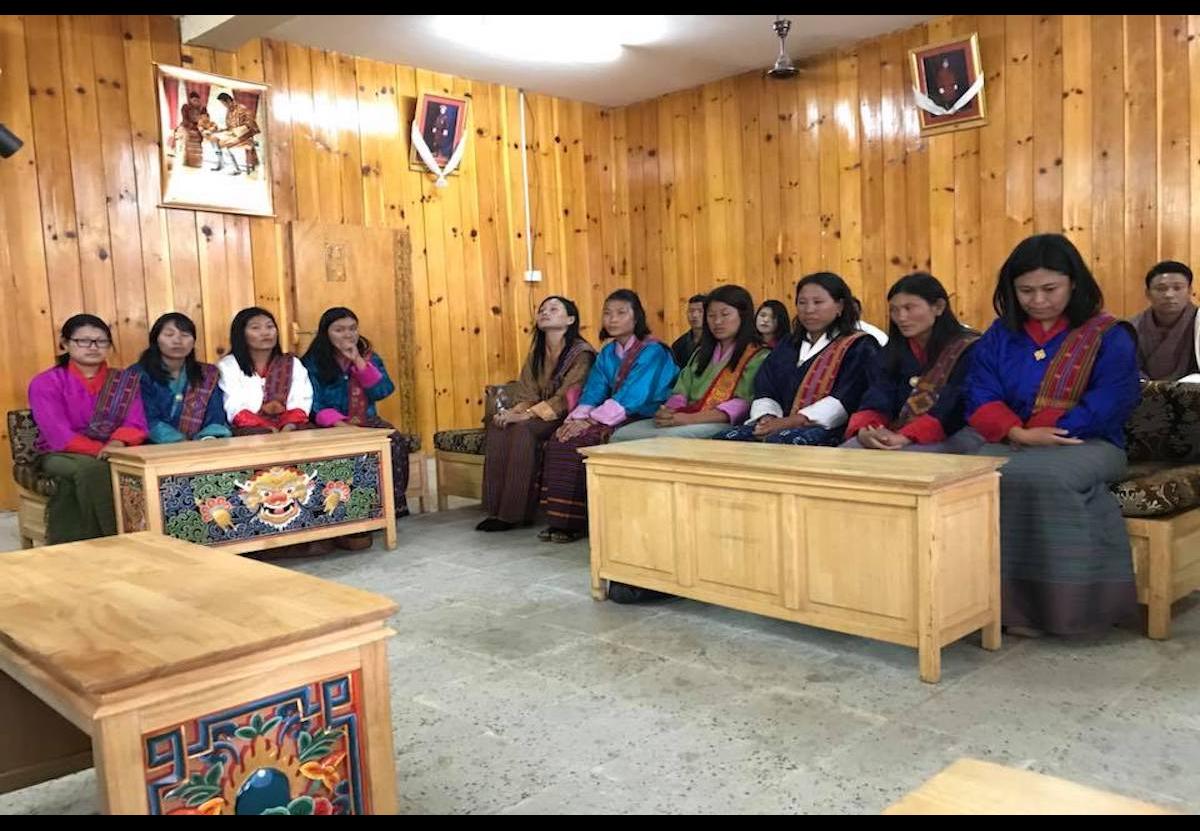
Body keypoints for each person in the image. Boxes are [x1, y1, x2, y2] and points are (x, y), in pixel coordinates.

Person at [964, 233, 1141, 638]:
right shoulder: (1000, 334)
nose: (1037, 300)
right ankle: (976, 602)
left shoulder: (1108, 334)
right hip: (1013, 438)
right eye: (1025, 291)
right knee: (965, 479)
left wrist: (1046, 432)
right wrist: (1017, 433)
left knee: (1041, 478)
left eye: (1049, 289)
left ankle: (1056, 610)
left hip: (1088, 441)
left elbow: (1113, 398)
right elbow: (979, 391)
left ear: (1074, 283)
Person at [538, 289, 677, 542]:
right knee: (561, 438)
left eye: (621, 313)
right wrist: (576, 419)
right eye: (607, 313)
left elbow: (636, 395)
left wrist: (590, 421)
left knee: (582, 441)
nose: (612, 319)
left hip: (641, 412)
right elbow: (593, 390)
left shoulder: (653, 351)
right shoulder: (608, 353)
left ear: (636, 318)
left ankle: (576, 523)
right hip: (612, 412)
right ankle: (561, 520)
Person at [477, 296, 596, 532]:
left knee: (522, 431)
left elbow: (566, 397)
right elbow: (527, 391)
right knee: (499, 426)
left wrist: (526, 416)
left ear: (570, 319)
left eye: (554, 309)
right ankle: (495, 509)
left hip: (569, 414)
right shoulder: (536, 354)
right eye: (542, 309)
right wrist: (513, 412)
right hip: (536, 413)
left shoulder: (582, 354)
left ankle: (514, 514)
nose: (545, 312)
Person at [716, 272, 878, 446]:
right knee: (725, 440)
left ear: (839, 306)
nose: (809, 310)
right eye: (802, 303)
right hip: (777, 422)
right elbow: (766, 385)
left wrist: (791, 422)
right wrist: (767, 417)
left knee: (782, 442)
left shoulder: (860, 346)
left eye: (818, 302)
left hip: (829, 428)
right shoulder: (789, 343)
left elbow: (847, 397)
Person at [28, 314, 148, 543]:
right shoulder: (46, 382)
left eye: (100, 341)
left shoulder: (124, 381)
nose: (93, 347)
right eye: (83, 341)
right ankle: (110, 540)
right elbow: (57, 433)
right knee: (92, 470)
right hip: (61, 453)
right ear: (64, 343)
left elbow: (136, 422)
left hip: (116, 450)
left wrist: (115, 444)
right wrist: (100, 451)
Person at [303, 307, 414, 548]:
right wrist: (338, 424)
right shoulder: (313, 361)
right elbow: (312, 401)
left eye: (352, 329)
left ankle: (389, 507)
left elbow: (383, 391)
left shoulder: (369, 356)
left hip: (367, 420)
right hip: (329, 424)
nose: (348, 335)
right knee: (341, 449)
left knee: (394, 440)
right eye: (339, 330)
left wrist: (359, 362)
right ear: (326, 333)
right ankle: (345, 514)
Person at [612, 284, 768, 442]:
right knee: (622, 435)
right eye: (711, 315)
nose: (717, 321)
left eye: (725, 314)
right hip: (685, 416)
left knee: (663, 441)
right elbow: (682, 389)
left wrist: (688, 419)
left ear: (743, 315)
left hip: (720, 422)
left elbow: (742, 404)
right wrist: (670, 411)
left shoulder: (756, 355)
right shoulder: (701, 353)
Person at [137, 312, 230, 444]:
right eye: (169, 335)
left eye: (185, 335)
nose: (177, 341)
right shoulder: (138, 374)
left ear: (193, 342)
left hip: (203, 445)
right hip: (153, 447)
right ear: (155, 340)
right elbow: (146, 418)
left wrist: (208, 439)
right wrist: (179, 441)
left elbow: (216, 415)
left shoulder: (207, 374)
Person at [217, 307, 313, 436]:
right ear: (241, 334)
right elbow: (233, 405)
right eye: (255, 328)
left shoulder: (292, 363)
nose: (265, 333)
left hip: (289, 428)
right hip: (248, 430)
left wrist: (288, 426)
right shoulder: (228, 365)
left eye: (270, 327)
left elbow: (301, 399)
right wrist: (266, 428)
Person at [1127, 260, 1200, 382]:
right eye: (1161, 289)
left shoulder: (1198, 321)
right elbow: (1128, 368)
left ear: (1189, 291)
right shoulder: (1131, 327)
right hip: (1145, 394)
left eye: (1177, 288)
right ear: (1148, 293)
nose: (1169, 294)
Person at [209, 91, 260, 174]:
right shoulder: (229, 111)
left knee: (223, 144)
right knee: (213, 138)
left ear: (229, 101)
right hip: (233, 134)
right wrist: (221, 130)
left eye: (224, 103)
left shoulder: (242, 109)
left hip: (244, 136)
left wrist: (238, 131)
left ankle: (236, 169)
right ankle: (220, 163)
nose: (224, 106)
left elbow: (252, 126)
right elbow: (229, 127)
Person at [670, 294, 707, 367]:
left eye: (700, 311)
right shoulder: (678, 345)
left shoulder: (716, 341)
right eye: (691, 311)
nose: (694, 315)